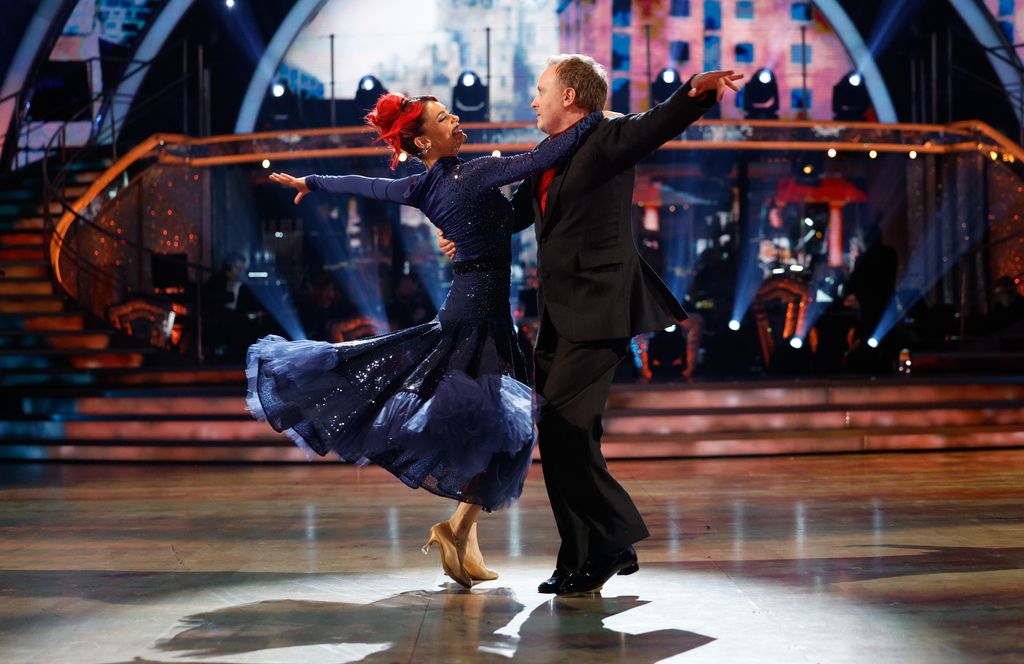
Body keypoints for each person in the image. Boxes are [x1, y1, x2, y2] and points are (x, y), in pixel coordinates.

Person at [249, 92, 603, 588]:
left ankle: (461, 535)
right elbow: (544, 156)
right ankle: (456, 531)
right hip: (477, 318)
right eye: (443, 118)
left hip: (477, 311)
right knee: (497, 433)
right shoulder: (475, 173)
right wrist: (595, 121)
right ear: (422, 139)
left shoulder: (422, 186)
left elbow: (365, 186)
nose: (456, 118)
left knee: (493, 434)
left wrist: (312, 181)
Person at [439, 55, 741, 595]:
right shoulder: (543, 160)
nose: (534, 100)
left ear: (570, 98)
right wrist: (467, 236)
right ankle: (580, 556)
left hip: (601, 310)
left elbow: (658, 124)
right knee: (558, 436)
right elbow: (511, 221)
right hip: (557, 314)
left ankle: (613, 539)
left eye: (540, 90)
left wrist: (695, 91)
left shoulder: (608, 135)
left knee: (563, 428)